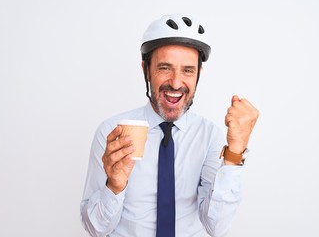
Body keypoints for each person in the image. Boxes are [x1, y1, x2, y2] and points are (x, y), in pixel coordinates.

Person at [80, 13, 259, 237]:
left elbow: (217, 227)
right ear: (146, 70)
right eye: (165, 68)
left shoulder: (210, 136)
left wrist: (235, 153)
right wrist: (114, 186)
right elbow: (95, 229)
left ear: (198, 75)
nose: (175, 82)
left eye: (187, 70)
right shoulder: (112, 133)